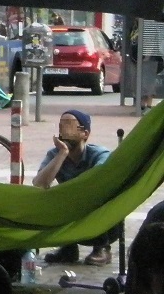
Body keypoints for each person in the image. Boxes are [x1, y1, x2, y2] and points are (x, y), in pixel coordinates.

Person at [35, 110, 116, 266]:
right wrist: (62, 154)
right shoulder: (54, 155)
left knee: (96, 197)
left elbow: (97, 180)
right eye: (61, 126)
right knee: (50, 199)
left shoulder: (100, 154)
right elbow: (39, 185)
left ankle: (102, 248)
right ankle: (68, 248)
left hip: (101, 216)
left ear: (85, 133)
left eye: (70, 126)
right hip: (71, 211)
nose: (64, 131)